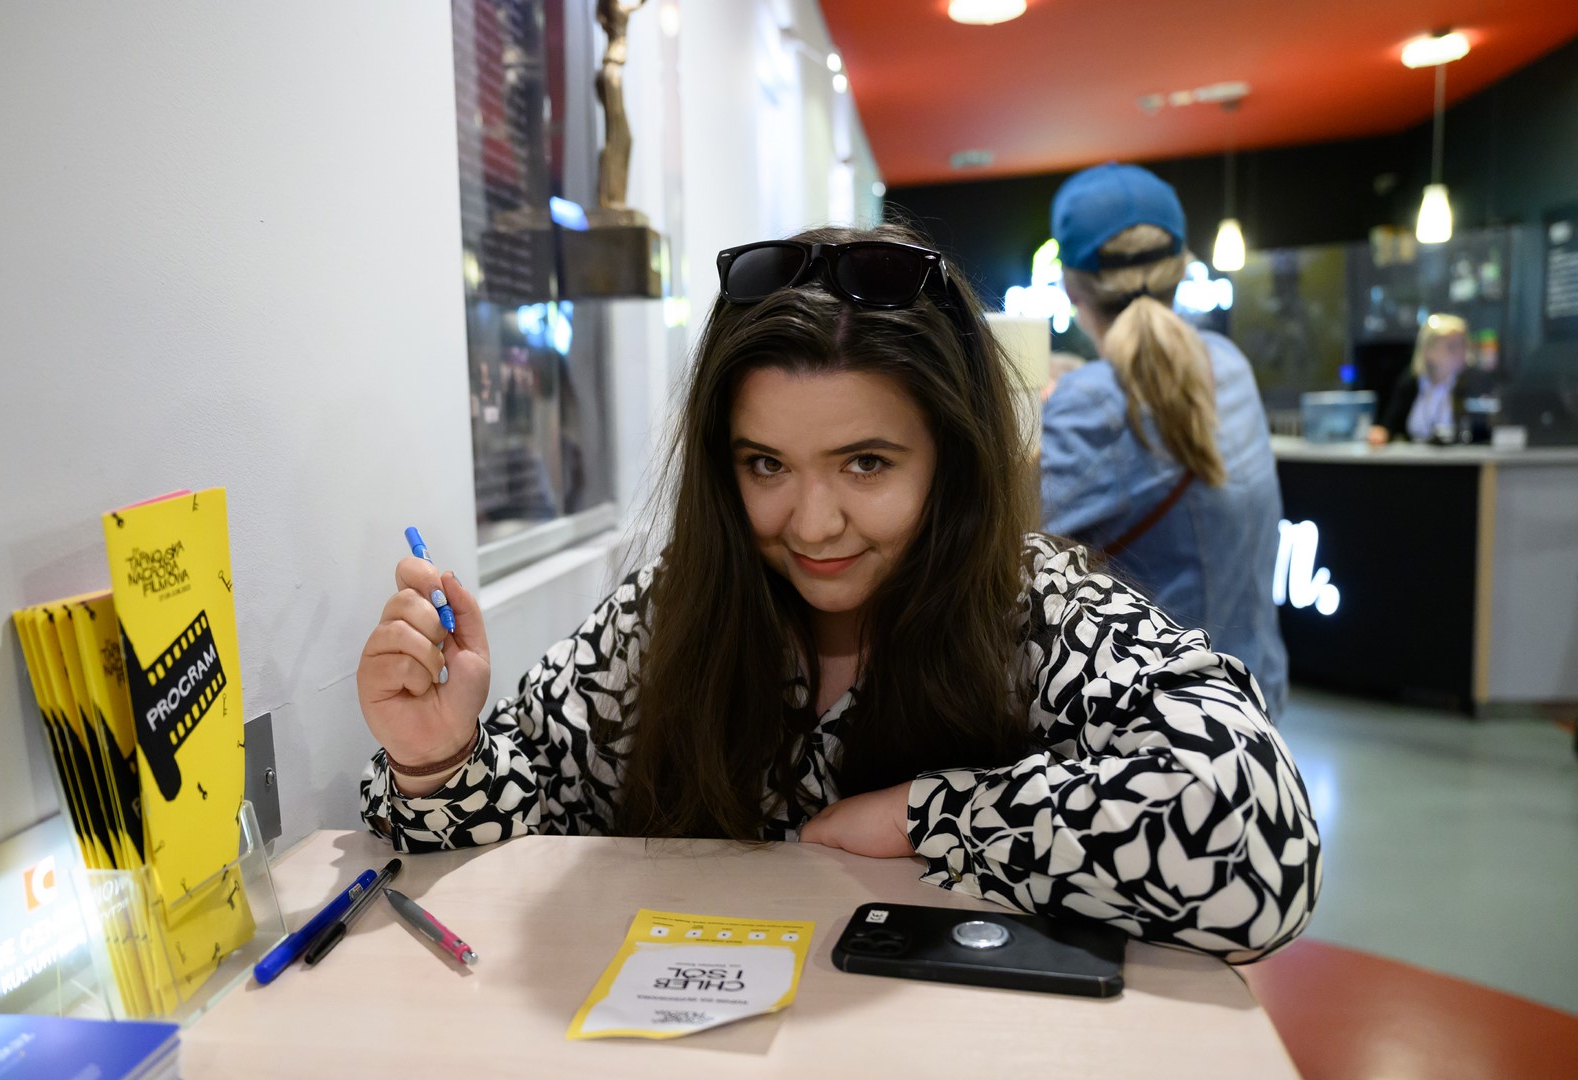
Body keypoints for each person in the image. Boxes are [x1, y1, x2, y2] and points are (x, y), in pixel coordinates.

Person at [357, 223, 1320, 963]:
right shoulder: (670, 616)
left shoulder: (1034, 611)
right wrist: (437, 760)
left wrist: (921, 817)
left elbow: (1255, 837)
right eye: (765, 464)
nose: (812, 524)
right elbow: (519, 816)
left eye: (866, 463)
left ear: (951, 460)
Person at [1039, 163, 1289, 719]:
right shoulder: (1229, 365)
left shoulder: (1091, 401)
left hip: (1160, 721)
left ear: (1070, 286)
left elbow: (1000, 547)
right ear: (1183, 268)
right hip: (1252, 701)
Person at [1367, 313, 1482, 445]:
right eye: (1451, 346)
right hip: (1414, 456)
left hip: (1461, 457)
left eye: (1462, 345)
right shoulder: (1411, 383)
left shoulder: (1473, 384)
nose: (1460, 352)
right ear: (1428, 350)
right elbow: (1388, 426)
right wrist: (1381, 433)